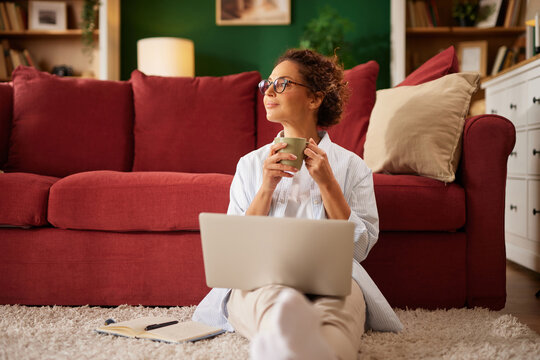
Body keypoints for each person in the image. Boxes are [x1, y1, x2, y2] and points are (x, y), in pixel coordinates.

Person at [193, 49, 402, 360]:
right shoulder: (250, 165)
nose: (269, 92)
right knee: (272, 303)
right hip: (263, 280)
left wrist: (328, 184)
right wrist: (266, 187)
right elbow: (235, 250)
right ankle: (284, 337)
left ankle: (318, 351)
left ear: (314, 99)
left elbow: (359, 250)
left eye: (283, 84)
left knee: (338, 315)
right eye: (268, 84)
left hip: (333, 281)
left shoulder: (352, 166)